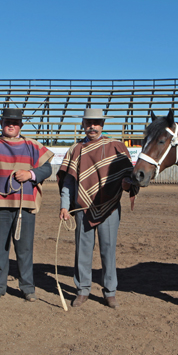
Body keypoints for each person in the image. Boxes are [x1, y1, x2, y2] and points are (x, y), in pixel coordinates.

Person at [57, 108, 138, 309]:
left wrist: (128, 184)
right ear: (83, 124)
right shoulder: (75, 150)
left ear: (102, 124)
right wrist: (65, 206)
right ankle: (83, 289)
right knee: (82, 250)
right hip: (81, 208)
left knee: (108, 250)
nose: (92, 126)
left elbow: (129, 177)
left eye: (96, 122)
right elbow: (68, 181)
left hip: (109, 208)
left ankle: (110, 291)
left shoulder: (117, 147)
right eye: (88, 122)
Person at [0, 108, 54, 302]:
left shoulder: (32, 145)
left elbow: (46, 168)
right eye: (7, 122)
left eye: (15, 122)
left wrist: (30, 174)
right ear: (1, 123)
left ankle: (27, 287)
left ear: (21, 125)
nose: (11, 125)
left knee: (24, 249)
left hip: (25, 205)